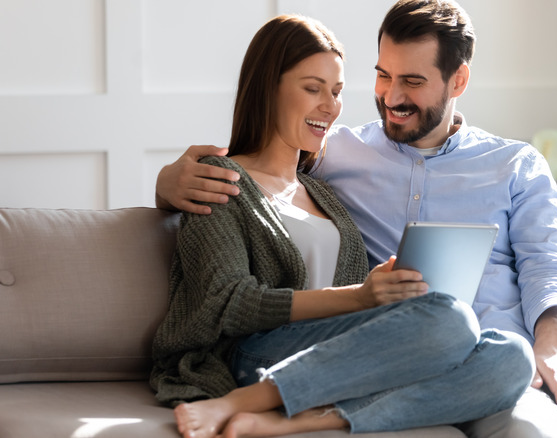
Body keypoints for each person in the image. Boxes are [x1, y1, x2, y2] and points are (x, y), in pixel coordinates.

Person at [156, 1, 557, 437]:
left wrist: (551, 347)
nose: (391, 97)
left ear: (457, 81)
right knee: (530, 425)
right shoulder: (336, 153)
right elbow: (255, 174)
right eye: (383, 75)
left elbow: (550, 265)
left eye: (413, 82)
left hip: (534, 340)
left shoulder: (514, 163)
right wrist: (167, 186)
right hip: (423, 344)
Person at [150, 14, 534, 438]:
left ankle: (305, 418)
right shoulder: (218, 178)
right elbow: (227, 303)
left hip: (341, 353)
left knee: (513, 357)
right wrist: (359, 297)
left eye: (336, 92)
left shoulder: (323, 189)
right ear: (268, 88)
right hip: (257, 352)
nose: (330, 106)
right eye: (313, 88)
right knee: (452, 318)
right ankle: (245, 400)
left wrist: (385, 299)